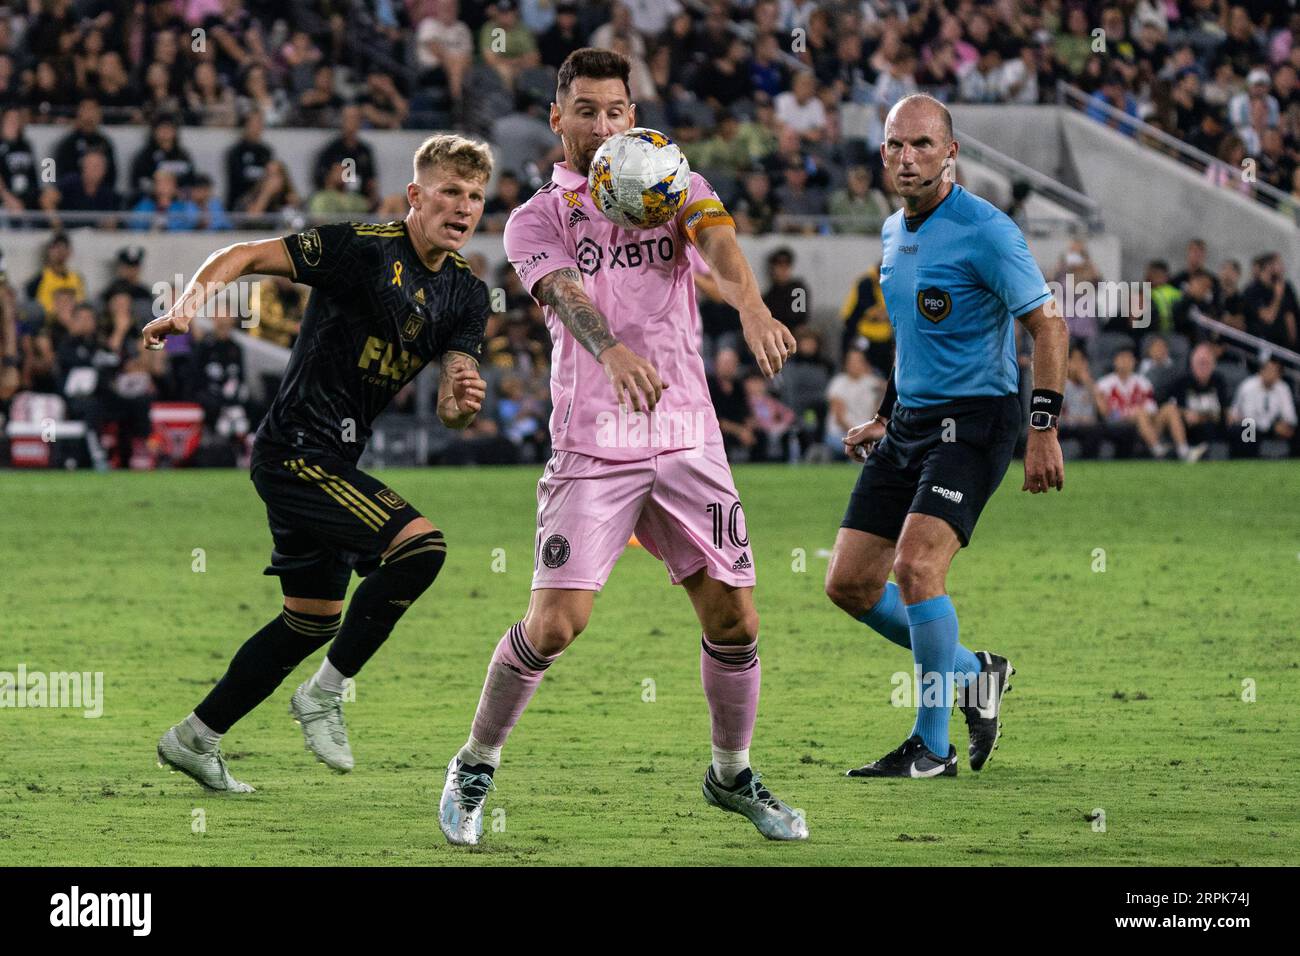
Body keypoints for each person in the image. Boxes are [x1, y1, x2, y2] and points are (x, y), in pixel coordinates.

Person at [438, 49, 806, 846]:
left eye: (617, 111)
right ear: (557, 117)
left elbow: (715, 236)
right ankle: (475, 761)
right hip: (594, 443)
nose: (603, 126)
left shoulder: (669, 179)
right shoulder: (537, 216)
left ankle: (732, 774)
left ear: (632, 114)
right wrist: (610, 352)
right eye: (587, 111)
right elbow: (563, 293)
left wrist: (750, 304)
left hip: (686, 437)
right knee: (557, 623)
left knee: (735, 617)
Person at [142, 134, 493, 793]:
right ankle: (324, 695)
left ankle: (195, 737)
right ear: (416, 195)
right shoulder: (362, 248)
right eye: (449, 191)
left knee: (311, 618)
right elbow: (243, 253)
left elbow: (454, 402)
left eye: (475, 196)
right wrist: (189, 305)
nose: (463, 206)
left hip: (334, 457)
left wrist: (461, 402)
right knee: (422, 548)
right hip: (297, 451)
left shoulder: (467, 295)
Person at [823, 94, 1068, 778]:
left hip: (977, 421)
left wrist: (1043, 431)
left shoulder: (987, 231)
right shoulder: (892, 232)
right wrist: (884, 410)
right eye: (896, 145)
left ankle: (931, 747)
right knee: (849, 584)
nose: (908, 158)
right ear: (882, 153)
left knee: (918, 567)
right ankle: (975, 673)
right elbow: (914, 338)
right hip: (909, 422)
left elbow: (1048, 327)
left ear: (951, 153)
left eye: (923, 145)